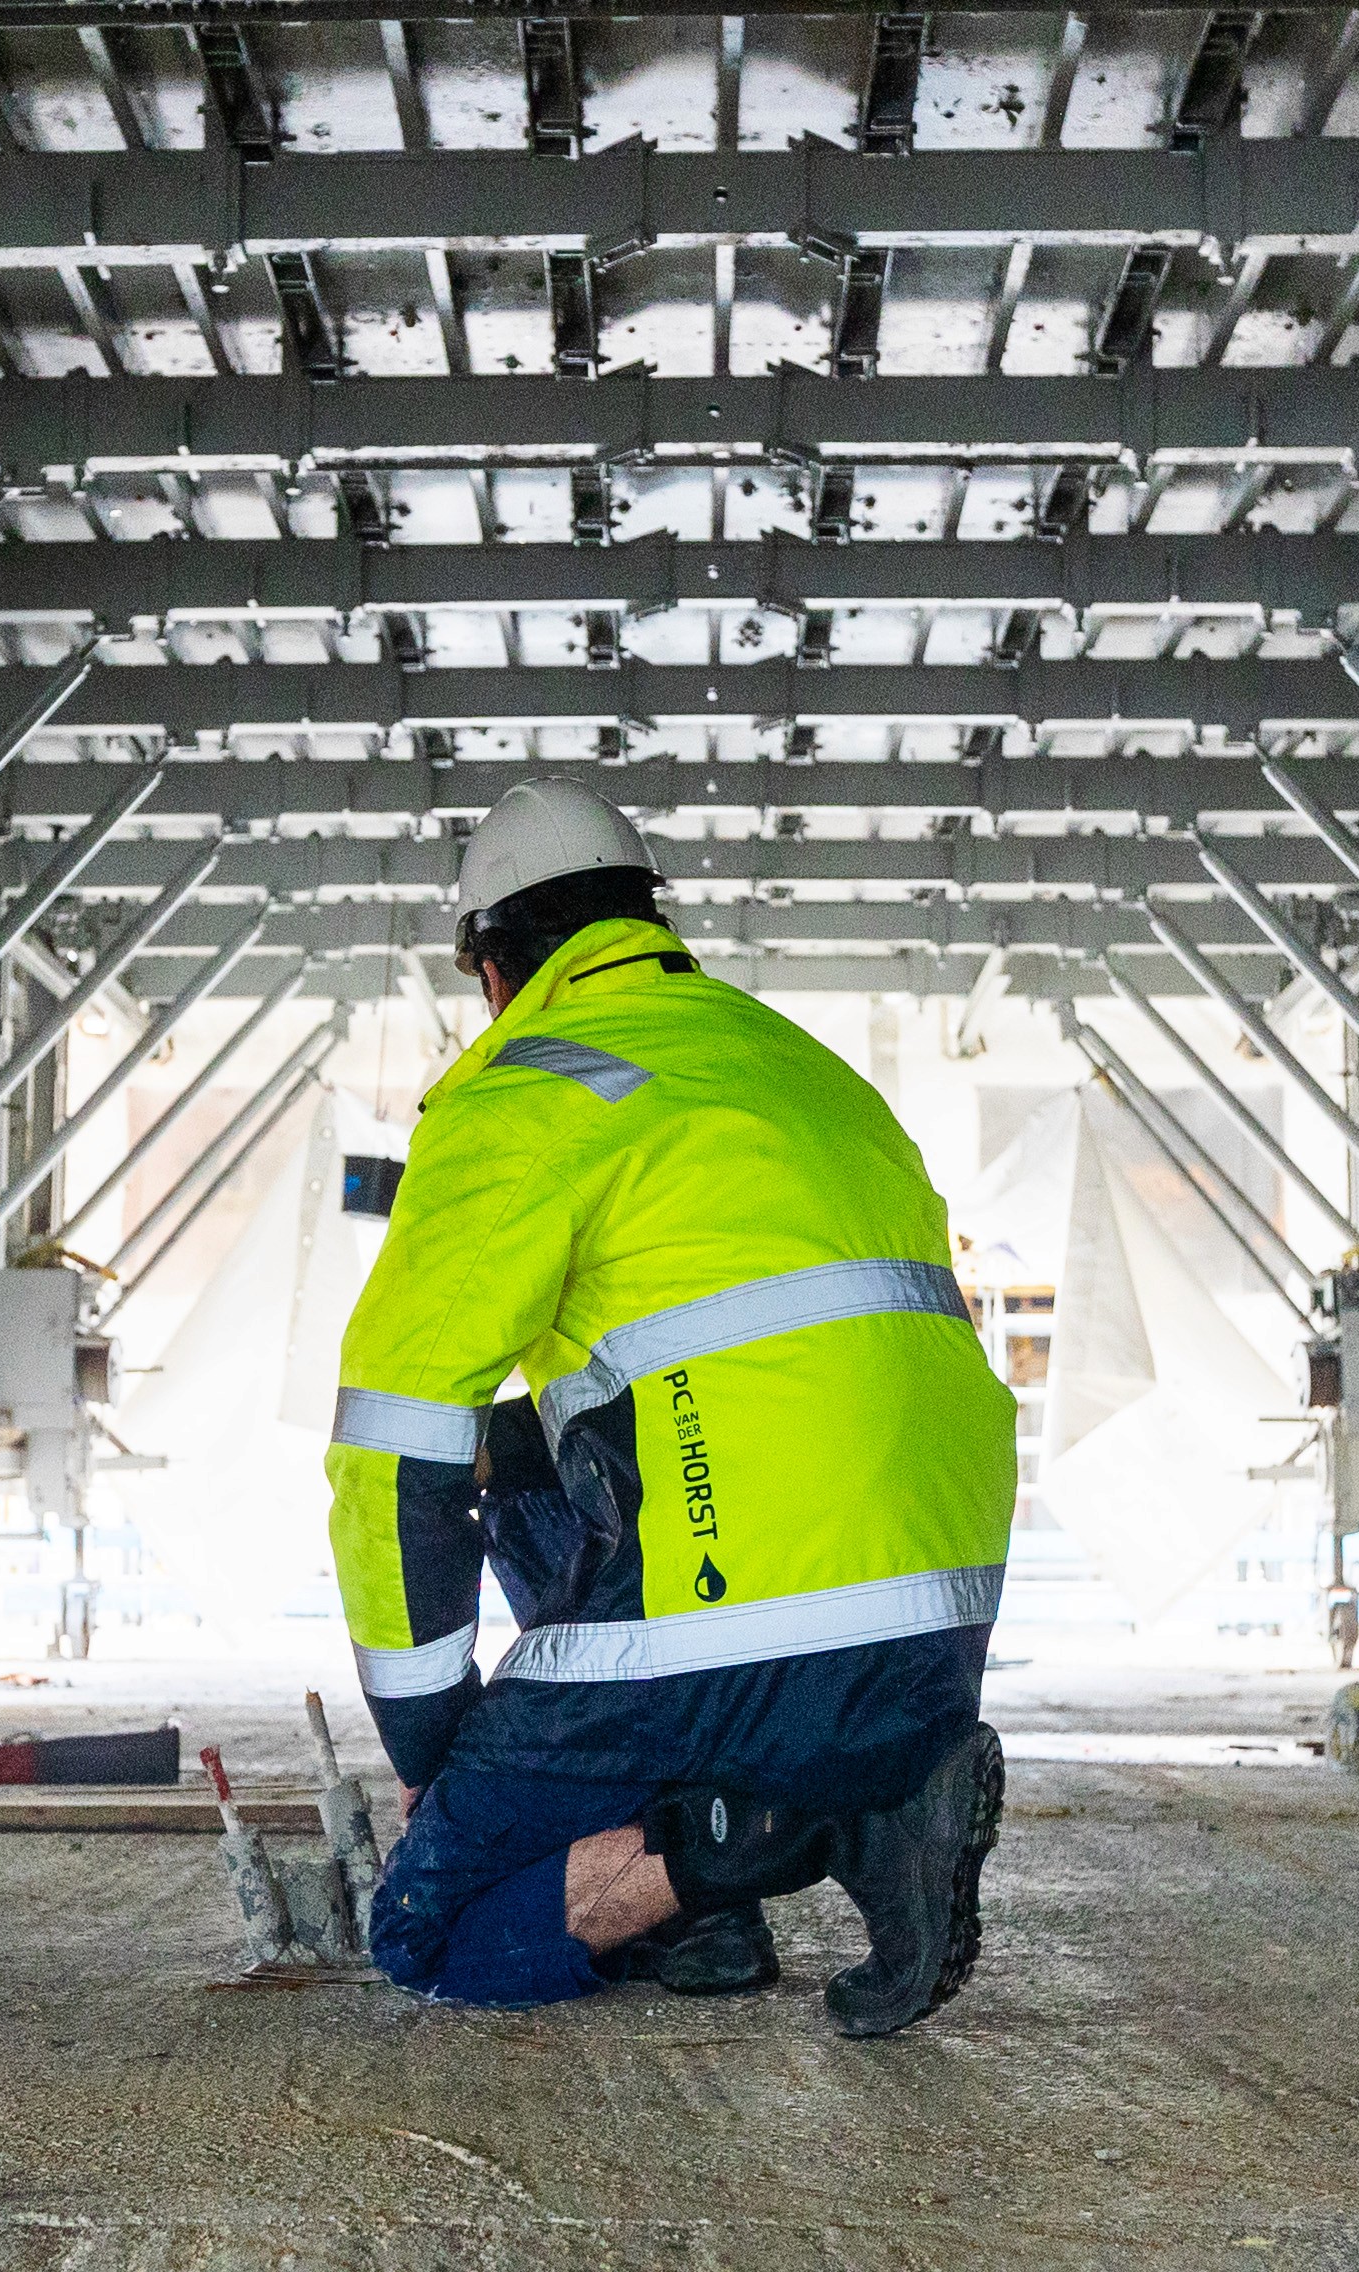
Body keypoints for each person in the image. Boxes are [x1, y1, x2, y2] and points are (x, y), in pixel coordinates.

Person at [322, 777, 1020, 2037]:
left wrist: (434, 1750)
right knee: (523, 1449)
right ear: (646, 920)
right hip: (930, 1647)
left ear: (495, 970)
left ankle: (758, 1839)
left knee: (430, 1925)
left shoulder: (524, 1094)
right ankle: (751, 1877)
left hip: (744, 1632)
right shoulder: (797, 1065)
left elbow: (393, 1444)